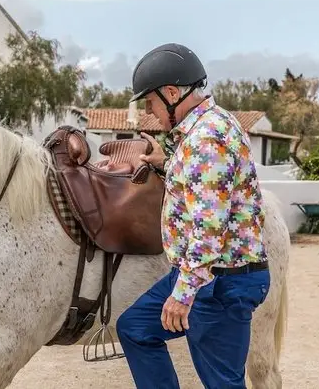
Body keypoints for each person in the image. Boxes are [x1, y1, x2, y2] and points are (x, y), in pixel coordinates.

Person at [115, 43, 270, 388]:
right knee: (135, 329)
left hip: (219, 280)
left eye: (151, 102)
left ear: (172, 92)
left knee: (222, 383)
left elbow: (209, 230)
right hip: (205, 274)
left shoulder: (205, 139)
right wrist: (166, 162)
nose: (151, 112)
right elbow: (205, 186)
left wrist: (182, 296)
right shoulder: (208, 128)